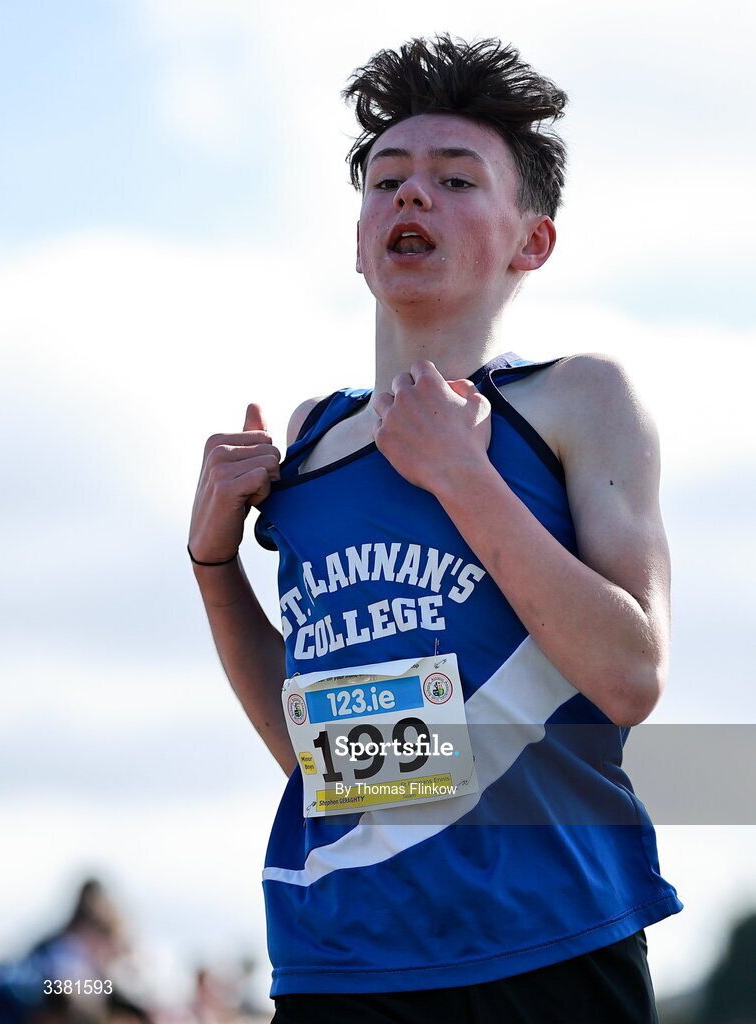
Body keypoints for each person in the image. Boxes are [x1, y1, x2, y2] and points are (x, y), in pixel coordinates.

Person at [188, 34, 682, 1023]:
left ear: (528, 242)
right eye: (387, 180)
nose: (411, 197)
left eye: (455, 180)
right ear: (360, 235)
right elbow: (317, 756)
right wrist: (211, 564)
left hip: (547, 941)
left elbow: (629, 675)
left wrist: (465, 476)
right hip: (338, 955)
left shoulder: (579, 399)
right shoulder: (310, 438)